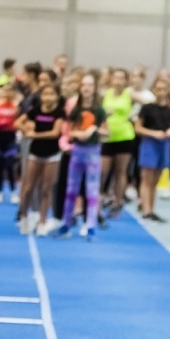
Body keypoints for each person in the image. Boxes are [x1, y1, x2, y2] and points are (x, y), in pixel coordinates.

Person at [58, 71, 104, 239]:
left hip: (93, 152)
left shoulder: (99, 110)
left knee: (91, 189)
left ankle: (91, 225)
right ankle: (66, 223)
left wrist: (94, 129)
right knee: (72, 188)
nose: (87, 88)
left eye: (90, 85)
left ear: (94, 88)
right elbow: (68, 131)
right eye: (84, 85)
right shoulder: (75, 109)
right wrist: (77, 134)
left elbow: (106, 131)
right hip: (77, 151)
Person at [16, 82, 64, 235]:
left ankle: (43, 221)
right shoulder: (34, 111)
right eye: (45, 94)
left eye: (52, 94)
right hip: (35, 152)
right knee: (29, 187)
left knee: (46, 188)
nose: (48, 97)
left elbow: (55, 133)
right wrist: (25, 129)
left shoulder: (59, 113)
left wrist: (35, 135)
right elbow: (17, 122)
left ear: (57, 97)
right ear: (41, 97)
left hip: (52, 153)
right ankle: (24, 217)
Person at [134, 76, 170, 222]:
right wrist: (153, 134)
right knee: (146, 178)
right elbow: (138, 128)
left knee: (155, 180)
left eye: (163, 89)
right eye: (158, 89)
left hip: (163, 144)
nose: (161, 92)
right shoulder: (147, 108)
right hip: (149, 143)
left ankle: (152, 209)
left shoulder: (169, 110)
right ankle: (145, 210)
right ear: (154, 90)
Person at [100, 68, 138, 217]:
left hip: (125, 136)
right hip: (107, 136)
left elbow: (149, 99)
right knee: (103, 171)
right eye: (116, 78)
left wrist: (133, 114)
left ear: (125, 81)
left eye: (122, 78)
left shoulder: (130, 94)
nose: (118, 81)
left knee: (120, 172)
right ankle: (100, 199)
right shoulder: (106, 94)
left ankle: (117, 203)